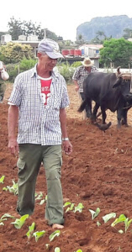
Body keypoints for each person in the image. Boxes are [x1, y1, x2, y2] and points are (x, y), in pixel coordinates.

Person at [7, 38, 72, 230]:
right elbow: (13, 108)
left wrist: (65, 138)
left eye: (56, 59)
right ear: (39, 55)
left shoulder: (60, 80)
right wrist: (12, 137)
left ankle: (55, 219)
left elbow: (62, 110)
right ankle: (24, 214)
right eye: (50, 58)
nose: (53, 62)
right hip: (29, 137)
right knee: (26, 177)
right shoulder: (23, 79)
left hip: (52, 138)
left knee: (54, 175)